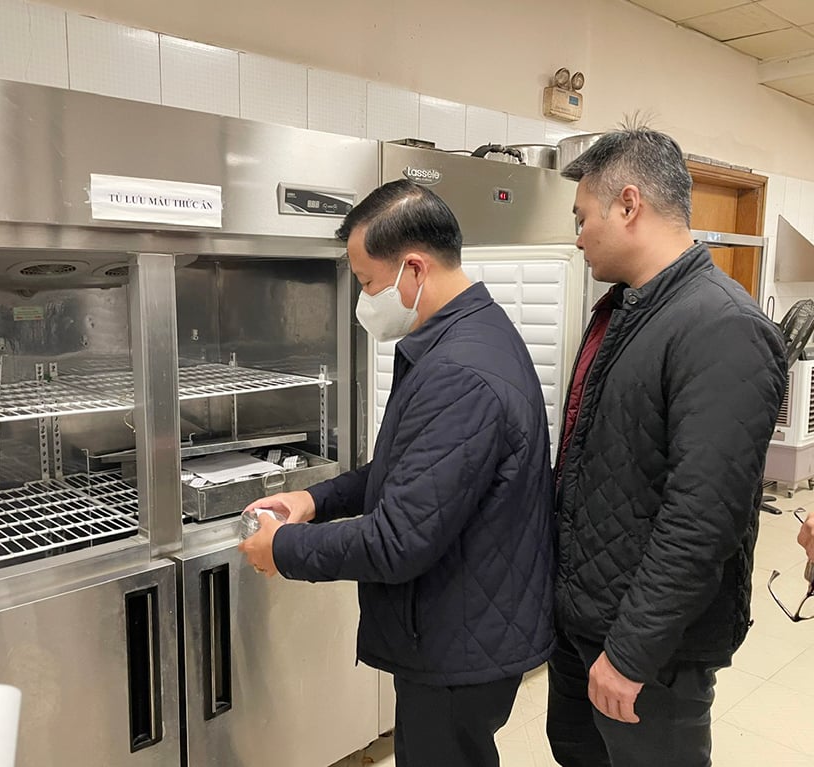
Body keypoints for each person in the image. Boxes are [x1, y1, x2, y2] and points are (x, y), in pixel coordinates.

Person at [238, 178, 555, 767]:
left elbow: (399, 539)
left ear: (413, 268)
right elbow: (407, 473)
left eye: (366, 281)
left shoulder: (459, 372)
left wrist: (285, 549)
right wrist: (315, 500)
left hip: (460, 639)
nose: (364, 298)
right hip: (464, 621)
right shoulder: (466, 334)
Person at [547, 125, 787, 767]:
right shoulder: (624, 311)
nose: (577, 239)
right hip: (585, 630)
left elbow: (703, 519)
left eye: (582, 217)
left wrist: (630, 652)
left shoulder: (721, 329)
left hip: (650, 654)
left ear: (628, 205)